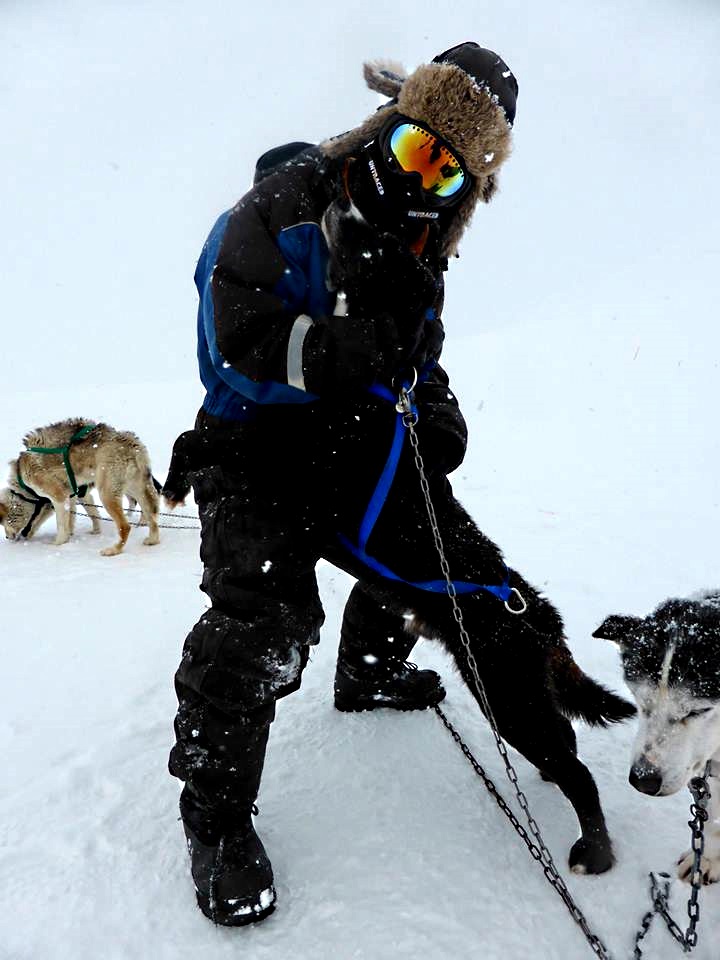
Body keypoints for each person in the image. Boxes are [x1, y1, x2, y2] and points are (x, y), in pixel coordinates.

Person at [165, 42, 519, 926]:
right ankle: (215, 818)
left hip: (355, 440)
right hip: (249, 449)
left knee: (437, 556)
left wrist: (434, 405)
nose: (422, 176)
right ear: (389, 126)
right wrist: (334, 356)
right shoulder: (276, 211)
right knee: (263, 626)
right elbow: (234, 344)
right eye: (415, 150)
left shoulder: (421, 245)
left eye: (446, 171)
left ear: (464, 190)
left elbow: (417, 351)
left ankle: (366, 671)